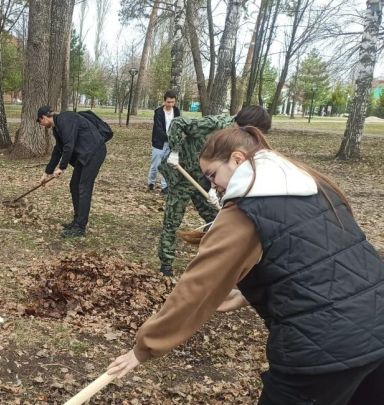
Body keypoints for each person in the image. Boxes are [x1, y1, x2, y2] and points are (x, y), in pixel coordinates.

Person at [108, 125, 384, 404]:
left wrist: (145, 347)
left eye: (212, 175)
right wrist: (244, 295)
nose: (212, 185)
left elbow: (197, 287)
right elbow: (322, 261)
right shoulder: (309, 182)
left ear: (237, 159)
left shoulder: (246, 207)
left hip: (322, 352)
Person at [157, 105, 271, 276]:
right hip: (182, 175)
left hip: (206, 180)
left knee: (216, 220)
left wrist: (214, 190)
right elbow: (178, 122)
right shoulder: (216, 124)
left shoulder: (242, 141)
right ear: (248, 126)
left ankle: (211, 258)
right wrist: (174, 151)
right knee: (172, 221)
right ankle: (166, 263)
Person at [36, 105, 107, 238]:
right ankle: (76, 221)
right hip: (84, 155)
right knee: (74, 185)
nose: (42, 125)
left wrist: (62, 168)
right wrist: (47, 173)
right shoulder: (57, 128)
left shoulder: (65, 119)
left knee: (84, 187)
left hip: (94, 152)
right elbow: (58, 150)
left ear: (44, 117)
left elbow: (69, 145)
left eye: (40, 122)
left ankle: (80, 227)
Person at [148, 90, 180, 193]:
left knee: (167, 165)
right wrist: (168, 137)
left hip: (171, 143)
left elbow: (178, 125)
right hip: (159, 142)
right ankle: (151, 182)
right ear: (164, 101)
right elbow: (158, 128)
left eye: (172, 102)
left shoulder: (176, 111)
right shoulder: (158, 112)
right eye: (168, 102)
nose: (170, 104)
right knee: (156, 164)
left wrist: (175, 138)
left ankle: (164, 186)